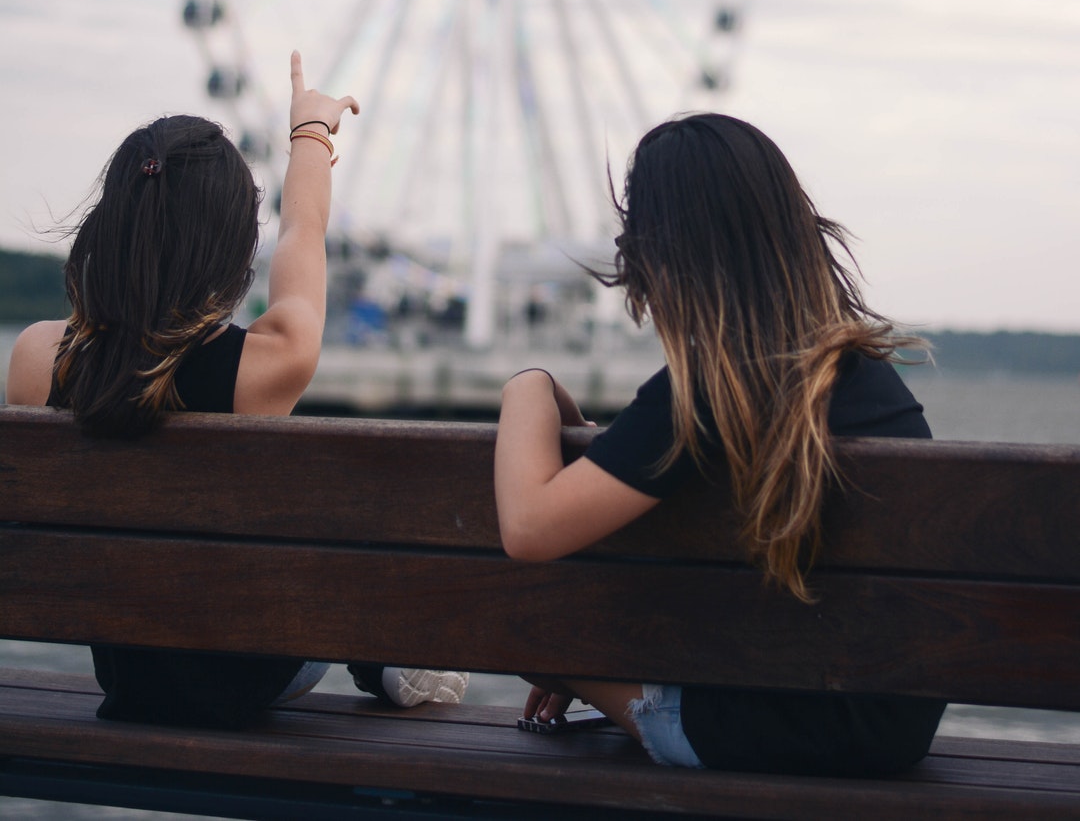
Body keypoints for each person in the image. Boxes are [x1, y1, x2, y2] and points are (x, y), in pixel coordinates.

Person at [6, 51, 467, 727]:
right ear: (231, 248)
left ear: (110, 226)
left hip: (126, 676)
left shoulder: (36, 359)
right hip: (252, 674)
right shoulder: (267, 364)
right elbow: (304, 236)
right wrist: (310, 133)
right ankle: (382, 656)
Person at [494, 113, 945, 777]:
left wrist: (528, 388)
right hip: (890, 731)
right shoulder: (866, 377)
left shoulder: (709, 389)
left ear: (656, 257)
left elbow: (530, 528)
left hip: (759, 731)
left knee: (536, 639)